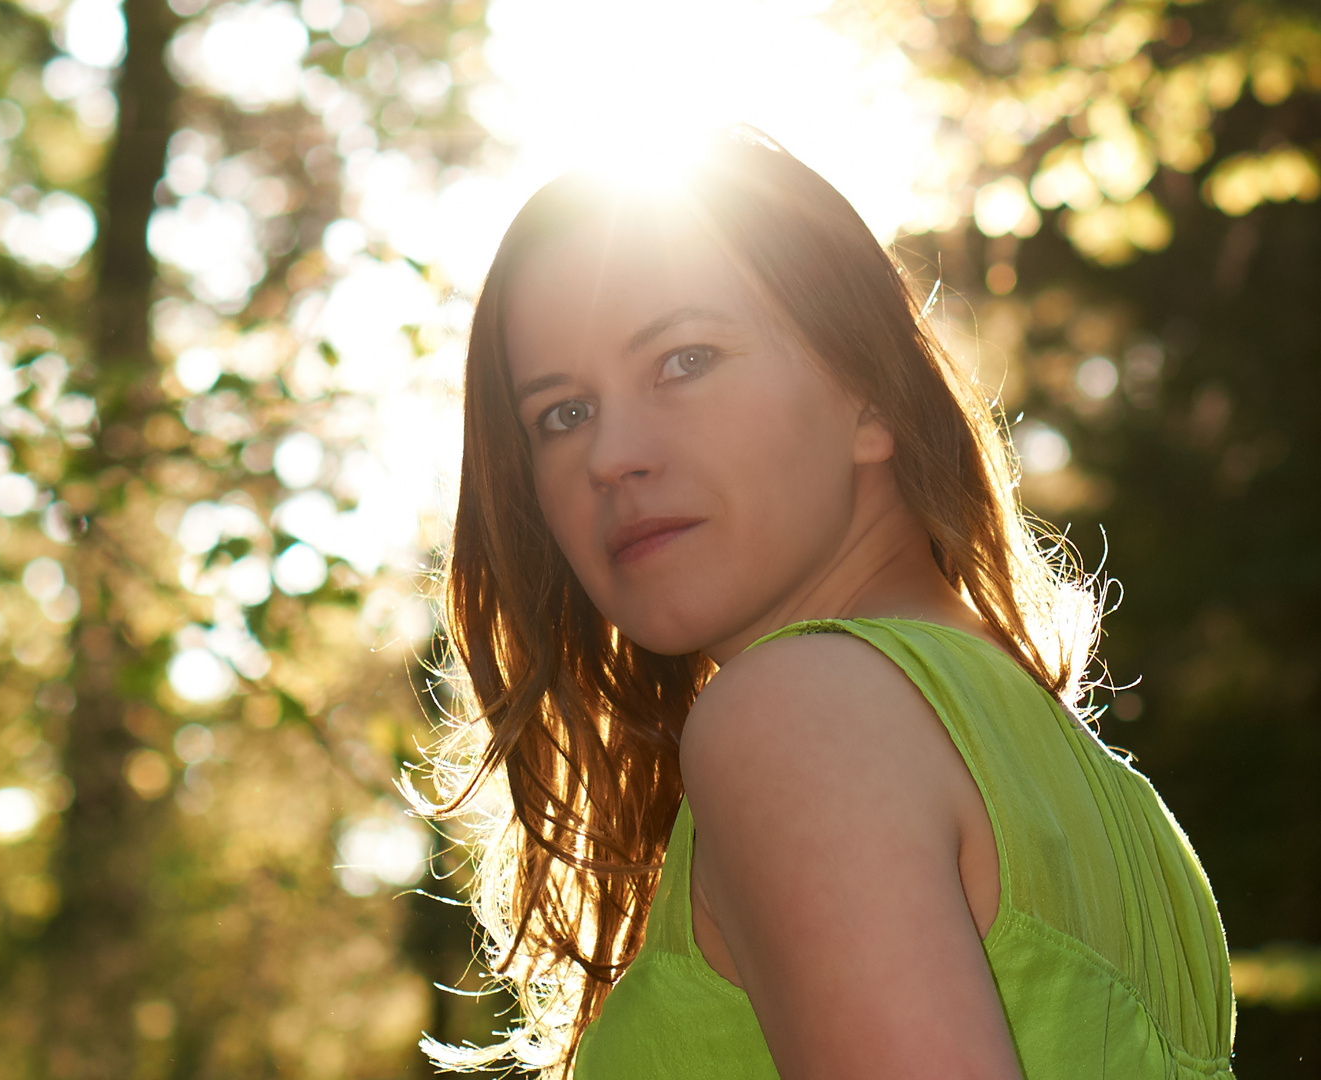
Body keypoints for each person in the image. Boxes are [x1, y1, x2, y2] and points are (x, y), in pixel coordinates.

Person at [413, 127, 1236, 1079]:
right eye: (561, 413)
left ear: (869, 397)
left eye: (684, 360)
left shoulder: (798, 715)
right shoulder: (1111, 806)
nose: (609, 456)